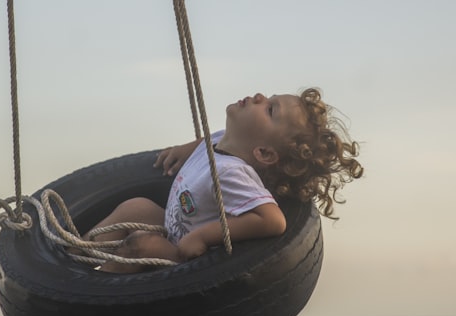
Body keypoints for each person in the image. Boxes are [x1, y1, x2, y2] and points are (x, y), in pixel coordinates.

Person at [92, 88, 363, 272]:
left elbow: (273, 220)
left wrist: (203, 236)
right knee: (136, 208)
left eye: (270, 110)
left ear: (265, 153)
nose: (259, 96)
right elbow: (211, 140)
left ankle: (90, 294)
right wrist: (187, 149)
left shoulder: (233, 174)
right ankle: (68, 260)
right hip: (173, 228)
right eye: (269, 98)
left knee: (142, 243)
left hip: (184, 258)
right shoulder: (223, 140)